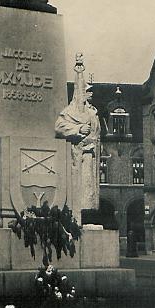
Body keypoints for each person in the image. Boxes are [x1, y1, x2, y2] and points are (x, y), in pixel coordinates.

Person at [54, 55, 100, 221]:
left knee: (90, 190)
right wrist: (78, 128)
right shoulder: (71, 110)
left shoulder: (93, 112)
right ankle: (78, 219)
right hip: (79, 155)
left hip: (92, 155)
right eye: (85, 91)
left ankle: (87, 218)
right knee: (80, 188)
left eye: (88, 91)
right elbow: (59, 126)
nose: (88, 94)